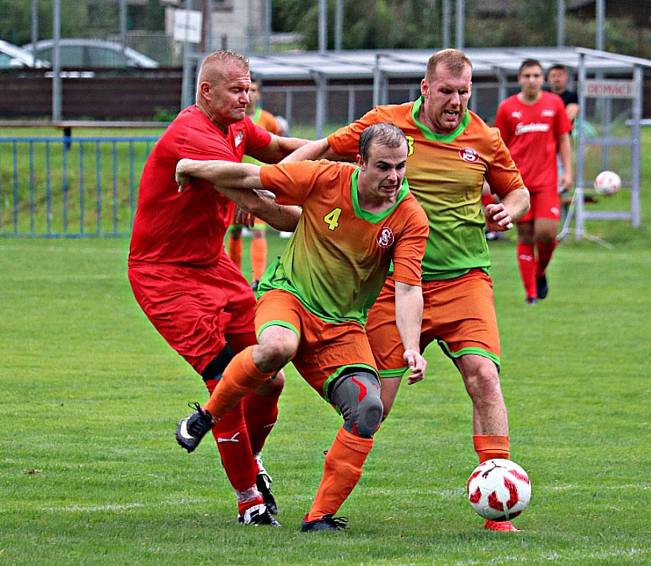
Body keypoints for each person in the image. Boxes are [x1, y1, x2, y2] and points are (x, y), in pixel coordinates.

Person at [281, 49, 530, 532]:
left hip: (465, 280)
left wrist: (510, 210)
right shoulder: (385, 127)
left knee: (484, 377)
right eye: (447, 92)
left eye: (464, 92)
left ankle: (498, 513)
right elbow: (327, 146)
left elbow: (516, 189)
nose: (457, 101)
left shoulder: (485, 137)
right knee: (374, 403)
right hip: (396, 284)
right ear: (425, 87)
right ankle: (321, 513)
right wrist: (281, 180)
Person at [174, 123, 430, 532]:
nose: (394, 177)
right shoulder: (327, 176)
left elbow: (408, 289)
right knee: (278, 347)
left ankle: (319, 517)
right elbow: (252, 176)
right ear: (360, 161)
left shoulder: (410, 216)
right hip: (288, 296)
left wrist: (411, 347)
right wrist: (193, 166)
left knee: (368, 409)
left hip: (343, 327)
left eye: (401, 167)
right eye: (383, 166)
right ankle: (205, 416)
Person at [128, 50, 307, 526]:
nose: (246, 97)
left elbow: (281, 150)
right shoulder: (191, 132)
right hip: (164, 275)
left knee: (271, 375)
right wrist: (335, 217)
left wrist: (354, 151)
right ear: (206, 91)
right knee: (224, 378)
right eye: (236, 89)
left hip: (214, 267)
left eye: (248, 88)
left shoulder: (238, 128)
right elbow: (261, 201)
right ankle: (249, 498)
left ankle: (250, 463)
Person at [495, 59, 572, 304]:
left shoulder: (554, 104)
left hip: (547, 181)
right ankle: (530, 294)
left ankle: (540, 272)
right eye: (527, 75)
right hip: (518, 183)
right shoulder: (507, 108)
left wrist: (568, 171)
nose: (532, 80)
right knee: (526, 236)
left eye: (536, 75)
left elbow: (563, 138)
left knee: (547, 233)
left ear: (543, 79)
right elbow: (500, 147)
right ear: (519, 79)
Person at [227, 79, 289, 290]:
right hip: (234, 182)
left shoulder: (268, 120)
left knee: (258, 230)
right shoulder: (232, 119)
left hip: (260, 182)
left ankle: (258, 279)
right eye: (245, 89)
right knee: (234, 231)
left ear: (259, 94)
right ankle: (234, 277)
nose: (249, 94)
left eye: (253, 90)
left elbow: (278, 147)